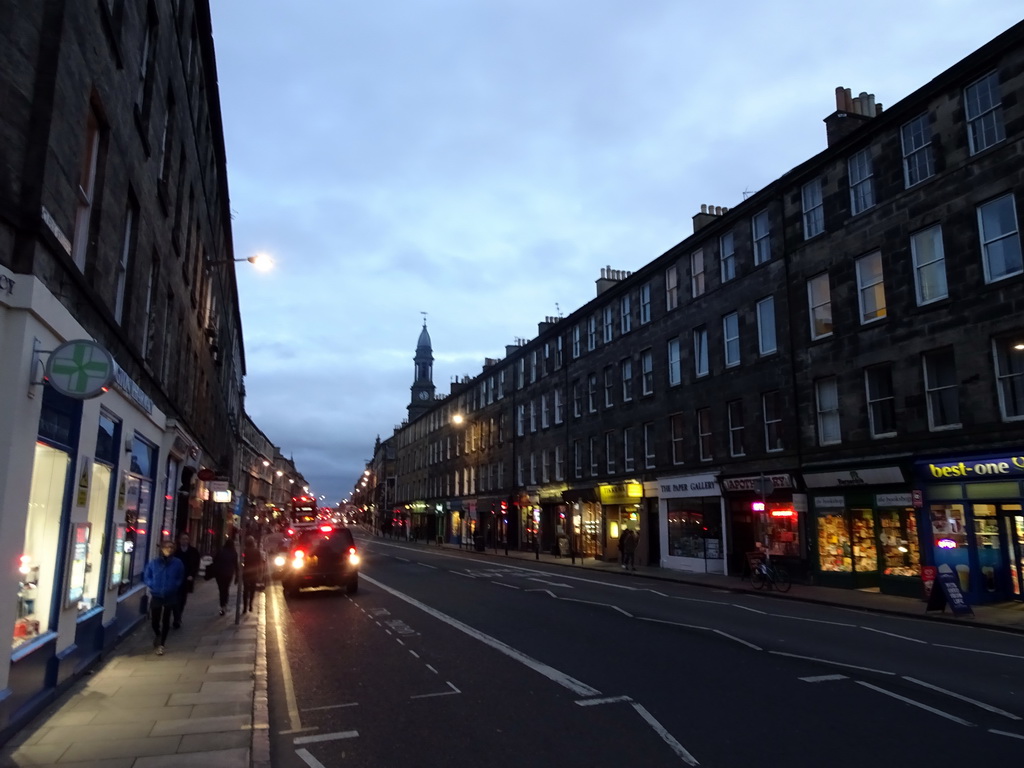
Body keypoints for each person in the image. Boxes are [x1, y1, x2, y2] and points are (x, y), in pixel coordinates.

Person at [143, 539, 185, 655]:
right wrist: (153, 585)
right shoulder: (154, 563)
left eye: (171, 547)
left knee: (166, 620)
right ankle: (158, 634)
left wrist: (174, 586)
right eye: (166, 547)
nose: (169, 549)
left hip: (170, 595)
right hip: (156, 595)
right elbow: (147, 576)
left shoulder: (177, 563)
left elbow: (180, 577)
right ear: (161, 549)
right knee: (155, 621)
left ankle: (161, 644)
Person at [172, 531, 201, 629]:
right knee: (175, 599)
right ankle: (177, 618)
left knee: (183, 599)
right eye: (183, 539)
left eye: (186, 539)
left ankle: (178, 616)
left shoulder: (193, 551)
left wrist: (192, 575)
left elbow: (196, 564)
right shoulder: (175, 551)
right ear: (179, 540)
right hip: (175, 579)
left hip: (187, 579)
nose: (185, 541)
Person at [209, 537, 238, 615]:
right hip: (229, 574)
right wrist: (237, 576)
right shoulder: (234, 552)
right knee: (226, 589)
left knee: (221, 590)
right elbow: (236, 565)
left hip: (220, 574)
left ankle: (222, 606)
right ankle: (224, 605)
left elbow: (214, 560)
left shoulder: (221, 551)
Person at [241, 535, 266, 613]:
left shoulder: (244, 551)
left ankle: (245, 607)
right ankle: (250, 605)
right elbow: (260, 563)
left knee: (245, 590)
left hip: (246, 573)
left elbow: (242, 561)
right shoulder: (257, 551)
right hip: (254, 573)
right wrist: (260, 573)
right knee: (252, 590)